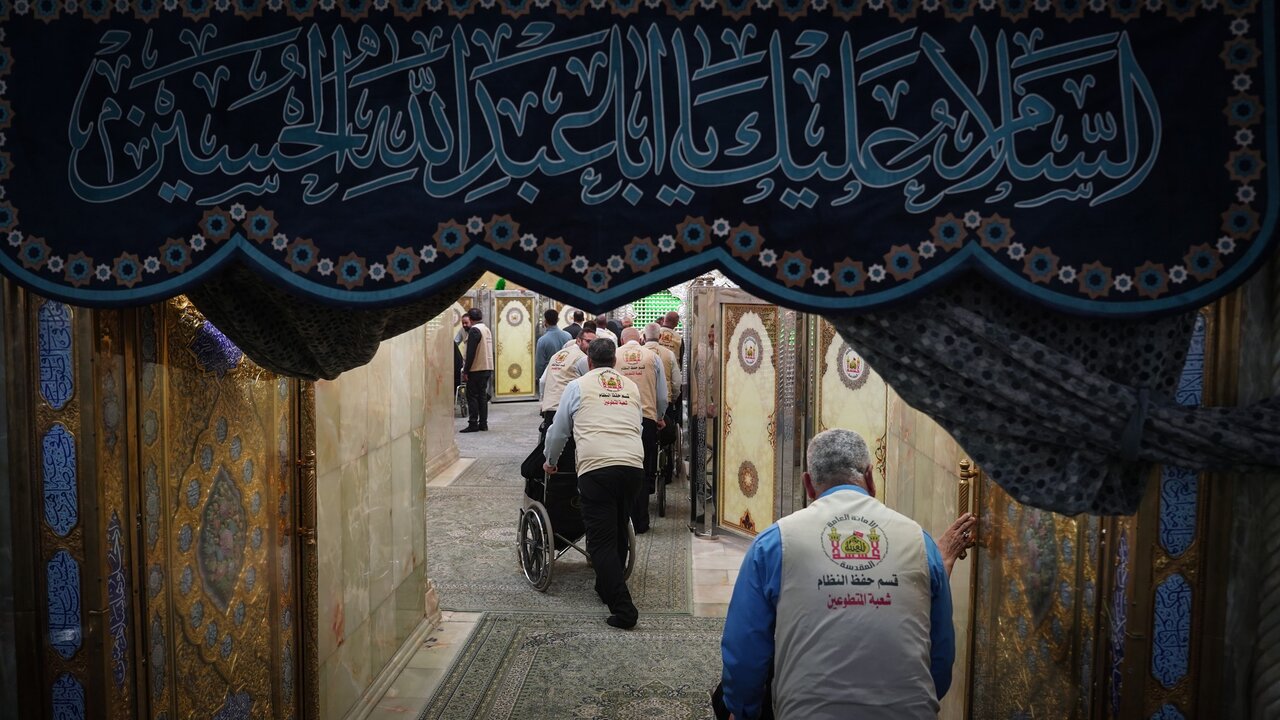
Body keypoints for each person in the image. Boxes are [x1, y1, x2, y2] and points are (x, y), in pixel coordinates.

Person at [716, 429, 974, 720]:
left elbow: (745, 652)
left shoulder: (774, 543)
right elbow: (940, 659)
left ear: (808, 485)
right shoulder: (920, 543)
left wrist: (742, 710)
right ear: (870, 477)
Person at [543, 339, 645, 630]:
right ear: (615, 361)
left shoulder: (577, 386)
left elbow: (559, 431)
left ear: (588, 361)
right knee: (619, 528)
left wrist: (550, 460)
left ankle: (624, 609)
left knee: (600, 541)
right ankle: (606, 585)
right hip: (633, 466)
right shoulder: (631, 386)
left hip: (597, 468)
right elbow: (637, 425)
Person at [616, 328, 667, 533]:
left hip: (619, 418)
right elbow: (662, 396)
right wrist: (659, 417)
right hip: (646, 419)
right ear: (641, 339)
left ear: (622, 340)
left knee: (619, 468)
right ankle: (640, 522)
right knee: (643, 470)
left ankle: (621, 519)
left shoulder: (614, 355)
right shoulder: (653, 357)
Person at [539, 326, 595, 427]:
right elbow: (591, 383)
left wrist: (543, 402)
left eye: (593, 343)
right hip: (567, 410)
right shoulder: (582, 358)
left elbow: (542, 381)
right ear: (578, 340)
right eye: (588, 341)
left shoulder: (556, 355)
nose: (591, 346)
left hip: (550, 408)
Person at [644, 323, 681, 451]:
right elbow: (676, 382)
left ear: (644, 337)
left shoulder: (639, 354)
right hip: (665, 403)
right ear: (660, 336)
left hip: (643, 404)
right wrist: (673, 399)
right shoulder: (669, 354)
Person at [460, 308, 495, 433]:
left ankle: (473, 423)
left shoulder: (474, 330)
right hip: (487, 367)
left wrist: (466, 371)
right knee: (482, 396)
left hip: (476, 368)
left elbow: (471, 353)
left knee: (472, 396)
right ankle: (483, 424)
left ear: (470, 318)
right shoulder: (486, 329)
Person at [535, 309, 573, 396]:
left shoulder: (542, 340)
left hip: (550, 376)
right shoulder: (568, 336)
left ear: (545, 321)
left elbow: (539, 364)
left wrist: (539, 378)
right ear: (558, 320)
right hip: (565, 375)